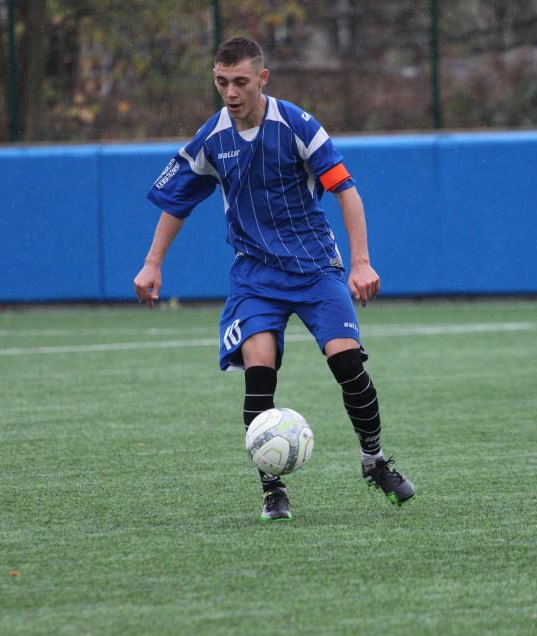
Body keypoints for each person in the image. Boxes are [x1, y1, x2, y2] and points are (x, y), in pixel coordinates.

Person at [133, 36, 415, 521]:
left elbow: (347, 192)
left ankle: (373, 462)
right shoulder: (212, 139)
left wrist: (361, 261)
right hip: (255, 278)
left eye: (240, 81)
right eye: (221, 82)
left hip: (314, 268)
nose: (230, 92)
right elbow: (177, 201)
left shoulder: (298, 126)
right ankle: (272, 491)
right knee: (259, 378)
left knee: (348, 366)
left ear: (262, 79)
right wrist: (152, 262)